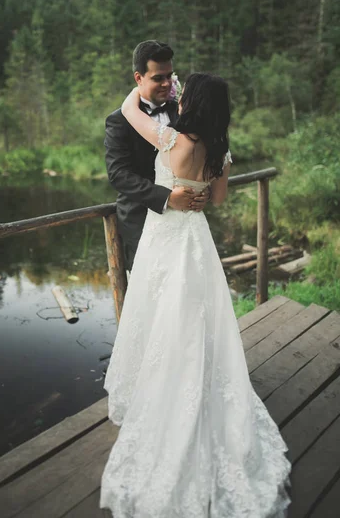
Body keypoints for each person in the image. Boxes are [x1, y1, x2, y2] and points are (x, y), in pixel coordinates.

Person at [100, 73, 291, 517]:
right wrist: (197, 194)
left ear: (194, 101)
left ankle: (158, 384)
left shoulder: (172, 140)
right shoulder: (219, 149)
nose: (177, 92)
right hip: (197, 238)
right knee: (195, 315)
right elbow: (219, 198)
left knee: (157, 310)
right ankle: (200, 378)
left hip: (163, 236)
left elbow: (130, 111)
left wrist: (141, 86)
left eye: (184, 91)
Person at [105, 40, 208, 271]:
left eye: (169, 76)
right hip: (141, 220)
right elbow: (118, 174)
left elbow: (200, 156)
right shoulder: (119, 120)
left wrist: (202, 192)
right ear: (138, 78)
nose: (166, 84)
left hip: (184, 222)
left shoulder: (182, 110)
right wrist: (167, 197)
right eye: (157, 78)